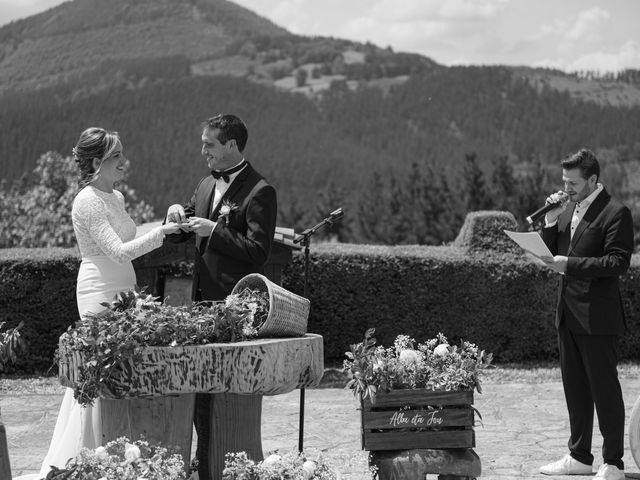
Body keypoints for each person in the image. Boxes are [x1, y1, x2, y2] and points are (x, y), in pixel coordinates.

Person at [25, 127, 181, 480]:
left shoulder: (117, 197)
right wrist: (163, 235)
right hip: (98, 288)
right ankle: (91, 457)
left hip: (124, 285)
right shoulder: (87, 201)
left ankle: (114, 450)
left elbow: (129, 235)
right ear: (97, 162)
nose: (125, 161)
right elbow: (116, 250)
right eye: (117, 156)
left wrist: (164, 220)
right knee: (103, 367)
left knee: (120, 366)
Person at [165, 113, 277, 480]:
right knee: (199, 391)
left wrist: (215, 230)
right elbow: (187, 230)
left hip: (235, 310)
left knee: (226, 395)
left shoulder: (261, 191)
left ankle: (222, 466)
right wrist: (175, 217)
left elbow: (258, 251)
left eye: (209, 144)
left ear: (231, 144)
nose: (203, 151)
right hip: (200, 307)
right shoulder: (203, 185)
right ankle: (206, 463)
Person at [537, 149, 633, 480]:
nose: (566, 188)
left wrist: (570, 265)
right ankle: (579, 456)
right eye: (564, 181)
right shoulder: (570, 210)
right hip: (568, 313)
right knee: (575, 389)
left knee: (605, 391)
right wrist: (551, 221)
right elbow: (555, 254)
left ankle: (613, 463)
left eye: (572, 182)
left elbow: (617, 262)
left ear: (592, 179)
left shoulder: (616, 213)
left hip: (598, 316)